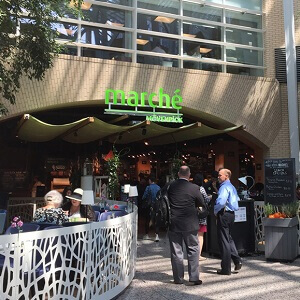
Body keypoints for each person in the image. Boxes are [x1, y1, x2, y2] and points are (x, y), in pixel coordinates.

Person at [168, 166, 206, 285]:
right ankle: (194, 277)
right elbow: (202, 203)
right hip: (190, 223)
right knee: (193, 249)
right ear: (189, 175)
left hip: (173, 223)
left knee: (176, 251)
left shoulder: (170, 186)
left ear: (178, 173)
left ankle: (178, 278)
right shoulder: (194, 188)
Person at [214, 168, 242, 275]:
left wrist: (216, 211)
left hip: (224, 213)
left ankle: (226, 268)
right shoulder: (232, 187)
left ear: (226, 176)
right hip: (231, 215)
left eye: (220, 175)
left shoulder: (224, 187)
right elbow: (237, 199)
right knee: (228, 238)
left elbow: (221, 202)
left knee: (224, 241)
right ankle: (237, 260)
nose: (218, 177)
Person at [193, 173, 211, 261]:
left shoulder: (191, 188)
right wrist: (210, 197)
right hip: (201, 215)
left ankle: (192, 253)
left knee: (193, 235)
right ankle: (198, 255)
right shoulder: (201, 189)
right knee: (200, 235)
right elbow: (206, 200)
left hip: (192, 215)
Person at [142, 174, 161, 241]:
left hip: (149, 206)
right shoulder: (158, 187)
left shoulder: (148, 187)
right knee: (156, 220)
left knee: (147, 220)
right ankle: (157, 235)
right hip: (157, 206)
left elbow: (144, 196)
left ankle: (147, 235)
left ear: (150, 180)